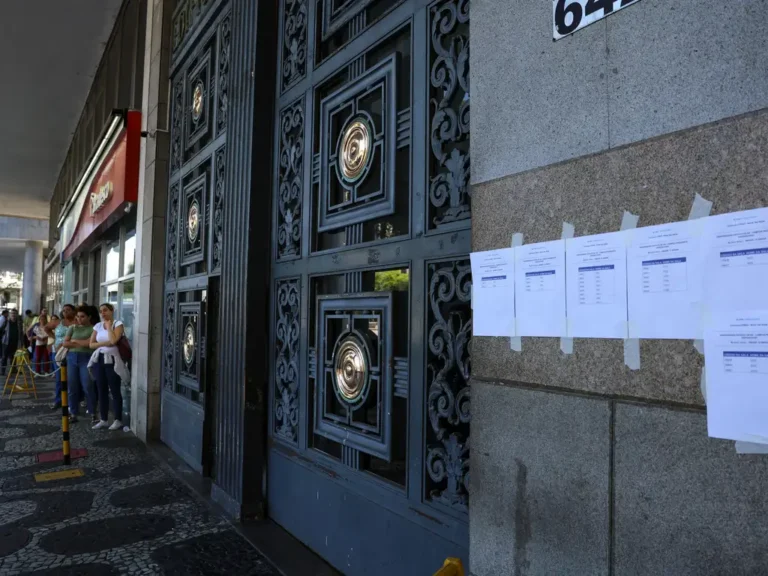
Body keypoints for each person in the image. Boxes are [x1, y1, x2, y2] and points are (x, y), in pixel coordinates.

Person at [89, 303, 128, 430]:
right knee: (101, 389)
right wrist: (105, 343)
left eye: (105, 310)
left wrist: (109, 327)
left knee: (115, 389)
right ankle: (104, 419)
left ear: (112, 311)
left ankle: (118, 419)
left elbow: (114, 341)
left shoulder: (117, 324)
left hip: (112, 360)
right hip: (100, 359)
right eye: (101, 311)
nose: (103, 313)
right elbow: (91, 344)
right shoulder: (98, 326)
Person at [62, 306, 96, 423]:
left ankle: (93, 412)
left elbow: (88, 344)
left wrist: (74, 341)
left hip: (86, 358)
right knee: (72, 386)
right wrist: (78, 343)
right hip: (72, 358)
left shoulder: (93, 328)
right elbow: (65, 343)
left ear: (89, 317)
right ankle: (73, 412)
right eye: (78, 316)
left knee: (87, 385)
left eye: (82, 316)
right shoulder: (72, 328)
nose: (79, 319)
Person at [49, 305, 76, 410]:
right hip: (58, 353)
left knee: (71, 379)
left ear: (73, 311)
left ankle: (70, 402)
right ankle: (58, 400)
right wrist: (55, 339)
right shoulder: (58, 322)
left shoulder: (77, 322)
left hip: (71, 352)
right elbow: (46, 328)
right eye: (64, 310)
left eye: (68, 310)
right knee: (59, 379)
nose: (66, 312)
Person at [0, 309, 20, 377]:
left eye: (14, 313)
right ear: (10, 315)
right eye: (12, 314)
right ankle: (3, 371)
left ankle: (13, 370)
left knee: (14, 357)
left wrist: (22, 343)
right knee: (4, 357)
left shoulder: (19, 323)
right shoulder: (6, 322)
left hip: (15, 343)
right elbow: (1, 331)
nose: (13, 315)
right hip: (6, 343)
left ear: (16, 315)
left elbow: (21, 333)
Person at [30, 309, 51, 375]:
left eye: (43, 319)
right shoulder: (36, 327)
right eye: (41, 319)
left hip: (46, 344)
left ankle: (46, 371)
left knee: (46, 357)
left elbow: (51, 334)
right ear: (39, 320)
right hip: (38, 344)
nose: (42, 320)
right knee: (38, 358)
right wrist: (36, 337)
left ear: (46, 319)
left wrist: (46, 337)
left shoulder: (48, 326)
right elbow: (31, 336)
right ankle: (37, 371)